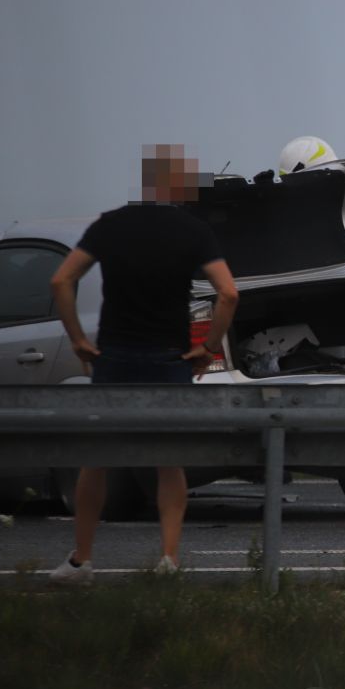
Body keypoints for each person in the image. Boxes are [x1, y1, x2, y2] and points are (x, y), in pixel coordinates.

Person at [47, 144, 239, 584]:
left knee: (96, 460)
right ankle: (169, 560)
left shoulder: (110, 225)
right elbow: (228, 293)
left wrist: (78, 340)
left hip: (114, 357)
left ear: (146, 182)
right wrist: (208, 347)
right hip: (170, 359)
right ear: (179, 185)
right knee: (169, 462)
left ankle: (82, 561)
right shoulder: (194, 231)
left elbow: (62, 279)